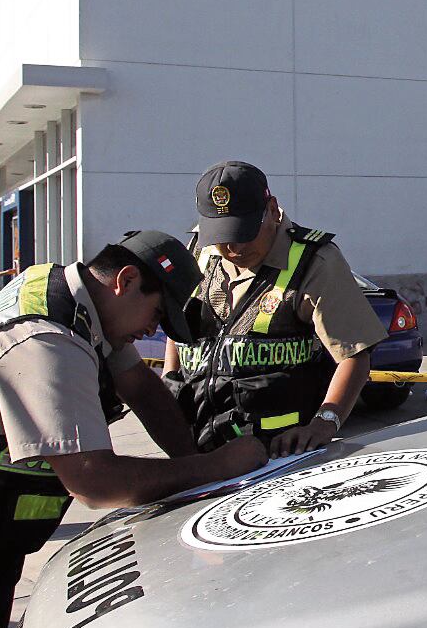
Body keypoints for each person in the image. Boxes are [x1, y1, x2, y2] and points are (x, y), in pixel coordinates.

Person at [0, 231, 267, 628]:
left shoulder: (73, 300)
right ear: (125, 281)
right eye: (157, 315)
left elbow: (140, 386)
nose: (152, 330)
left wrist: (197, 466)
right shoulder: (46, 341)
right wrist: (218, 467)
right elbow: (94, 481)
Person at [164, 161, 387, 458]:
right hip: (198, 449)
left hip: (277, 454)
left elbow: (355, 354)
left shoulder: (315, 261)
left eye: (244, 233)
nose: (234, 248)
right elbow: (179, 329)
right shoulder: (199, 250)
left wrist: (325, 423)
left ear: (272, 209)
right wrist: (170, 381)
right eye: (223, 237)